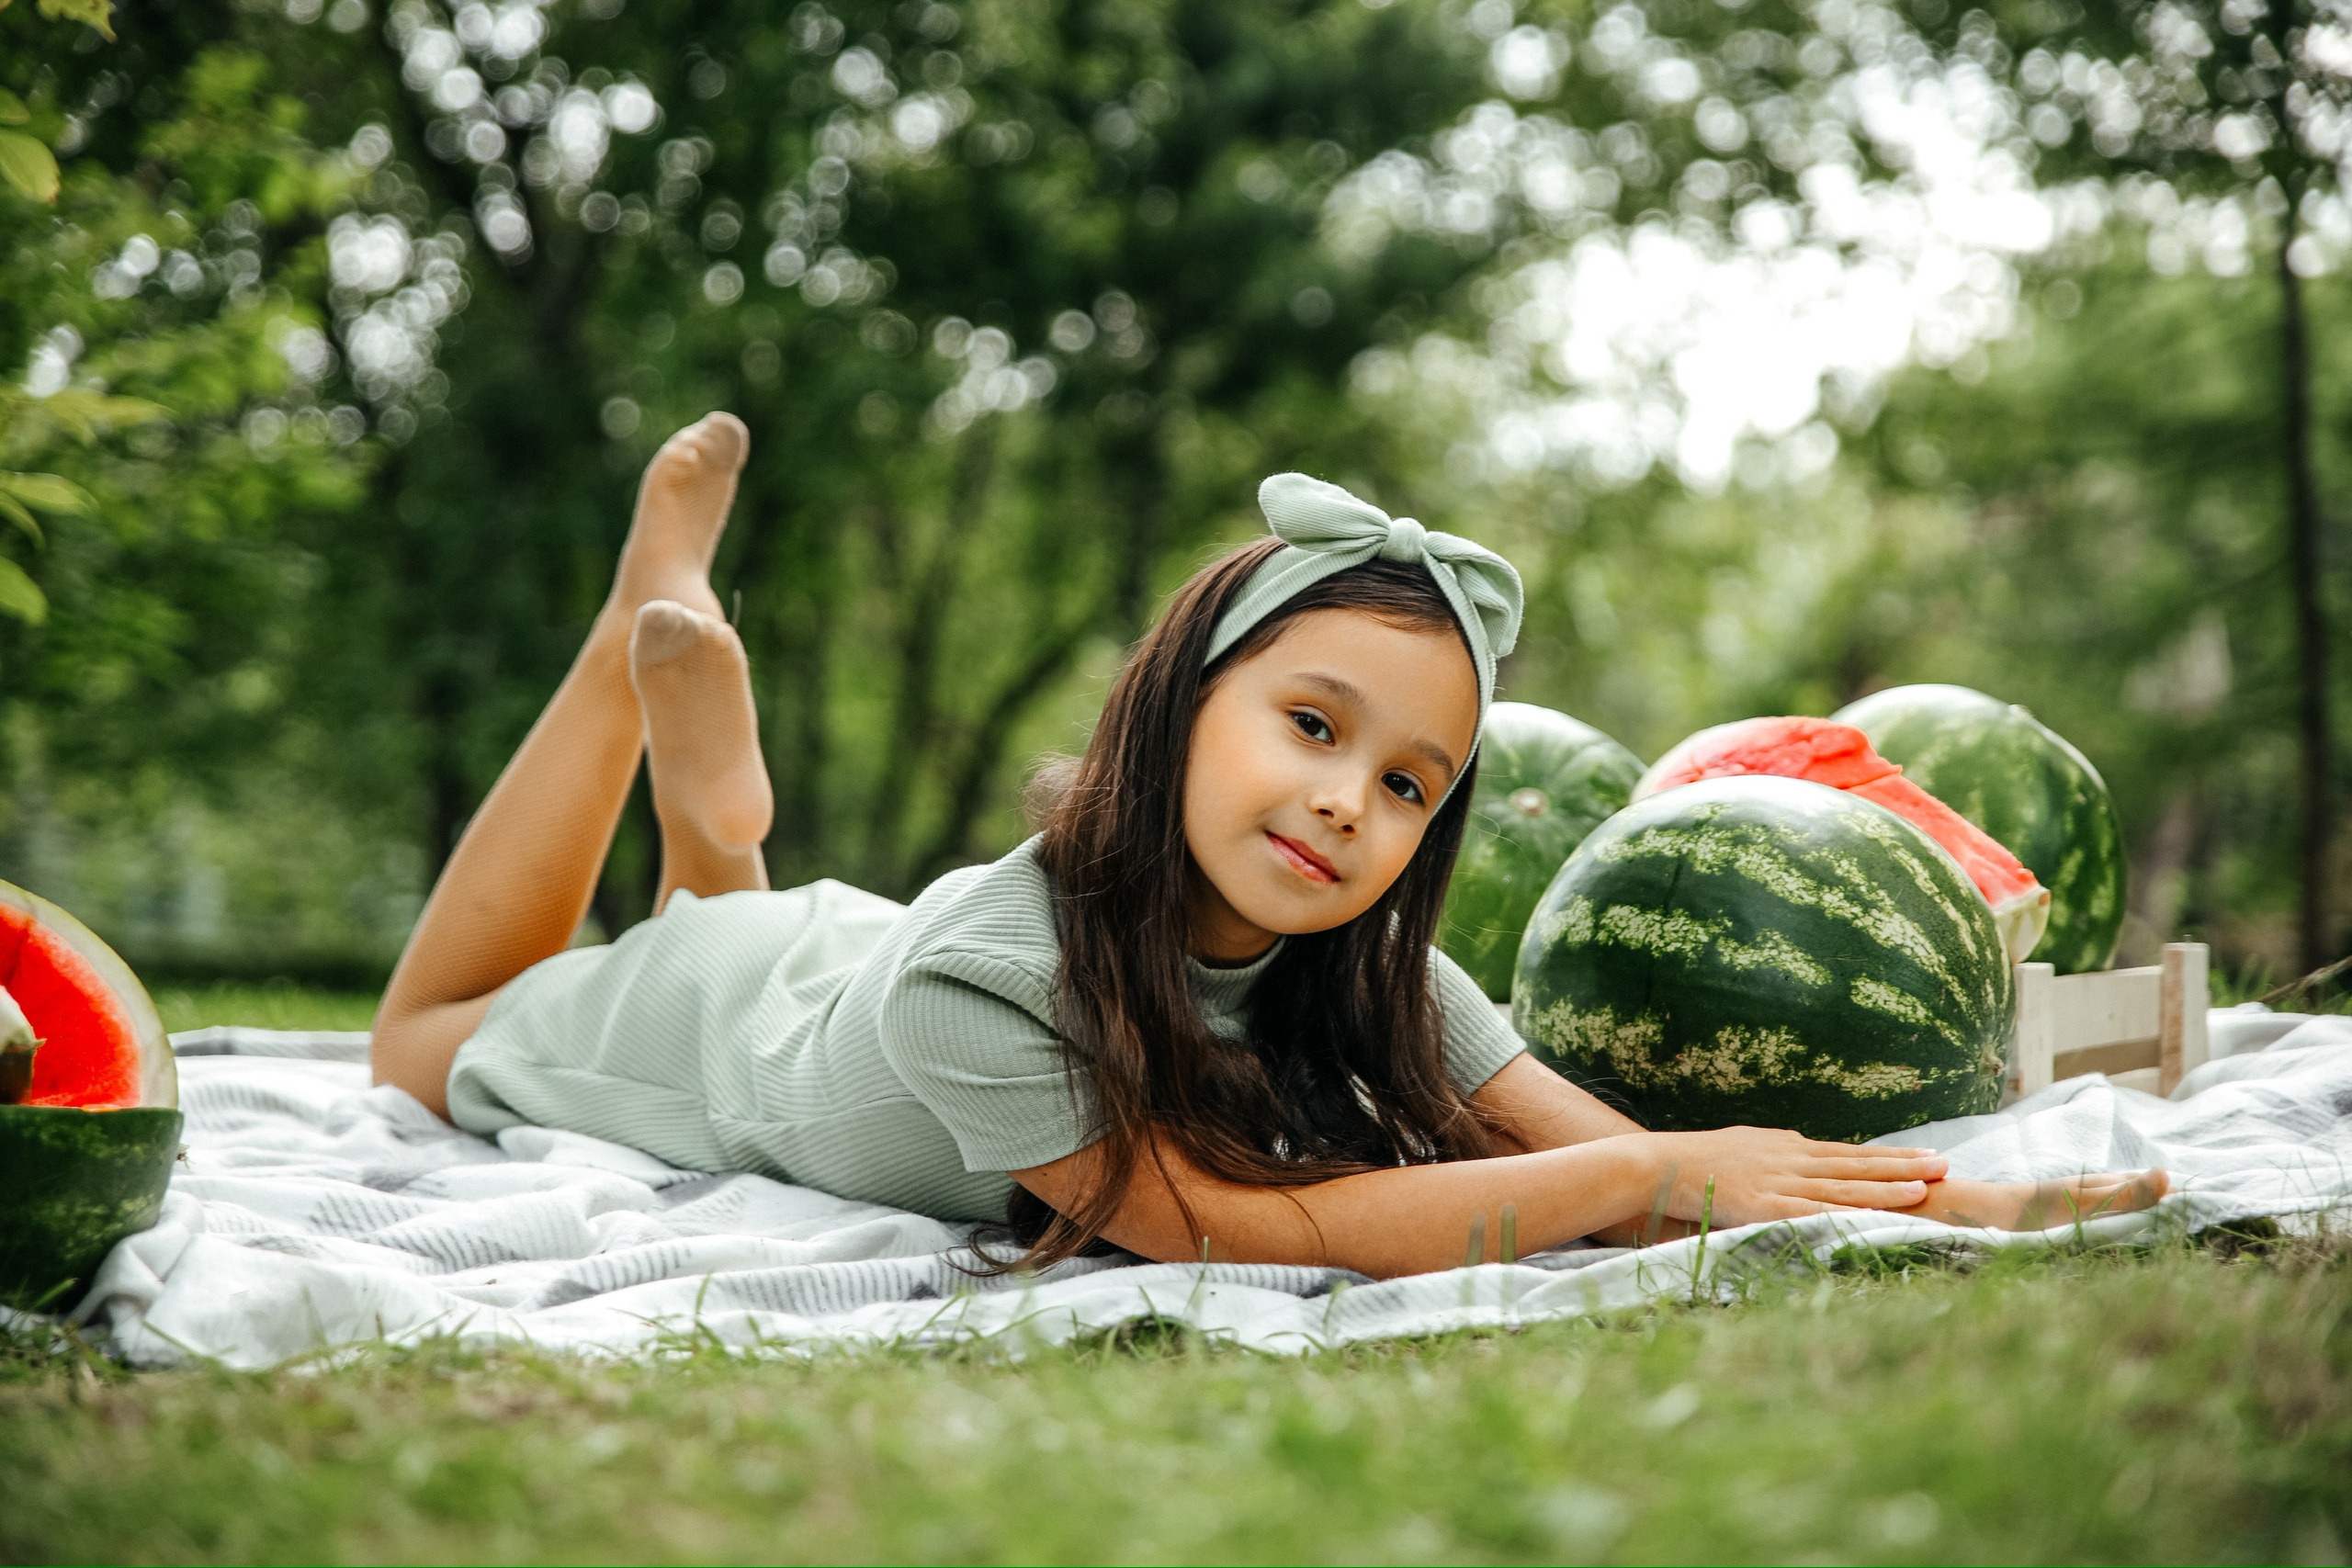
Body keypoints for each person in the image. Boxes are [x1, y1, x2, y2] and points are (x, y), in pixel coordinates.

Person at [369, 412, 2166, 1277]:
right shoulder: (990, 983)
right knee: (425, 1026)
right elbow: (1230, 1223)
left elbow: (1648, 1152)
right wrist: (1630, 1187)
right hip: (713, 1021)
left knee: (724, 895)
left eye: (1406, 785)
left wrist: (1964, 1205)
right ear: (1175, 706)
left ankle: (719, 828)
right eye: (1309, 726)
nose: (1344, 803)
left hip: (837, 955)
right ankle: (635, 628)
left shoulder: (1346, 947)